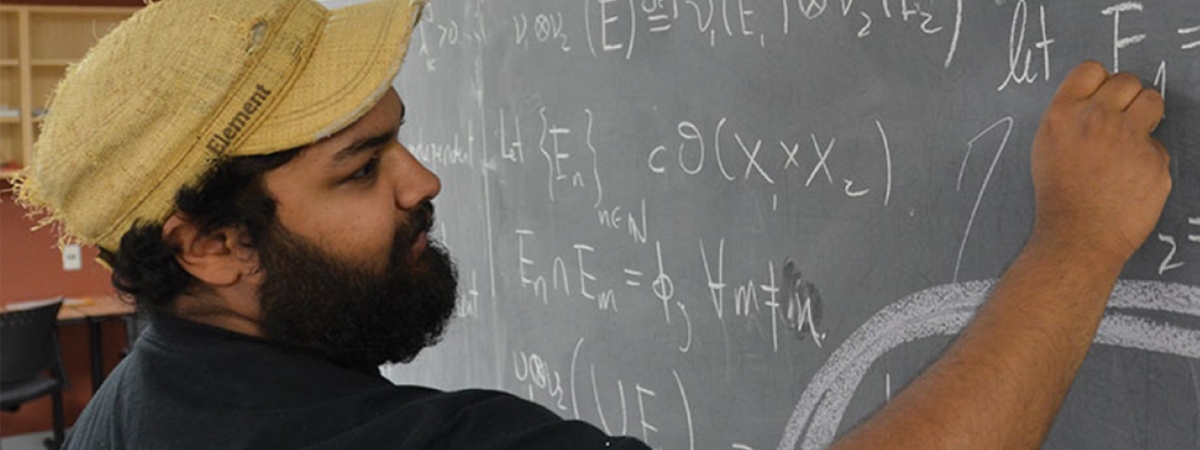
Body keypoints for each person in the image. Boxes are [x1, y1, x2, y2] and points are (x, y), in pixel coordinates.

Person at [11, 0, 1168, 448]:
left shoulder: (135, 410)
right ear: (210, 245)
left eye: (399, 137)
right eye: (361, 169)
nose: (425, 181)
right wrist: (1074, 247)